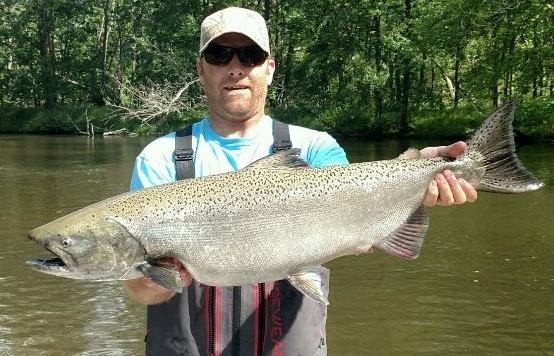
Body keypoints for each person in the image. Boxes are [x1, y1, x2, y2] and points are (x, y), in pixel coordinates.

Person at [124, 6, 477, 356]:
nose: (235, 68)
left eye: (250, 55)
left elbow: (356, 215)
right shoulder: (160, 157)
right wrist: (161, 279)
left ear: (269, 68)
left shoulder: (315, 147)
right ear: (201, 69)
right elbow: (141, 291)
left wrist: (416, 172)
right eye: (219, 55)